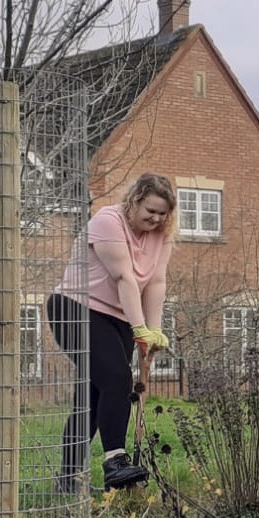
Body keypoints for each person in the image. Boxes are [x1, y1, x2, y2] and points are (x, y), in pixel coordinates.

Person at [47, 173, 176, 491]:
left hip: (118, 316)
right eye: (151, 210)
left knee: (93, 394)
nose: (156, 218)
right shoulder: (108, 221)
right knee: (117, 378)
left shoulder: (162, 234)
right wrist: (140, 328)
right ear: (135, 200)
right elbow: (124, 277)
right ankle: (115, 461)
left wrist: (154, 332)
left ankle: (68, 479)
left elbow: (156, 282)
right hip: (76, 308)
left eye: (163, 213)